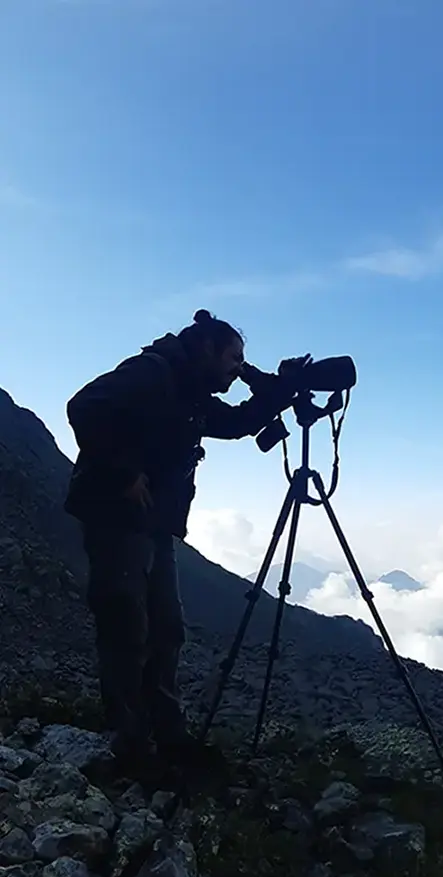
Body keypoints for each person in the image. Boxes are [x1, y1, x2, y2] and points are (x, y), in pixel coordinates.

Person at [63, 309, 303, 773]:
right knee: (127, 628)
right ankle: (131, 745)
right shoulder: (153, 374)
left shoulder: (189, 392)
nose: (238, 367)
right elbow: (84, 406)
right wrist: (123, 473)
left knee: (167, 628)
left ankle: (169, 736)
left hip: (156, 524)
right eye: (233, 357)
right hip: (117, 519)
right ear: (207, 349)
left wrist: (280, 393)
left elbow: (236, 424)